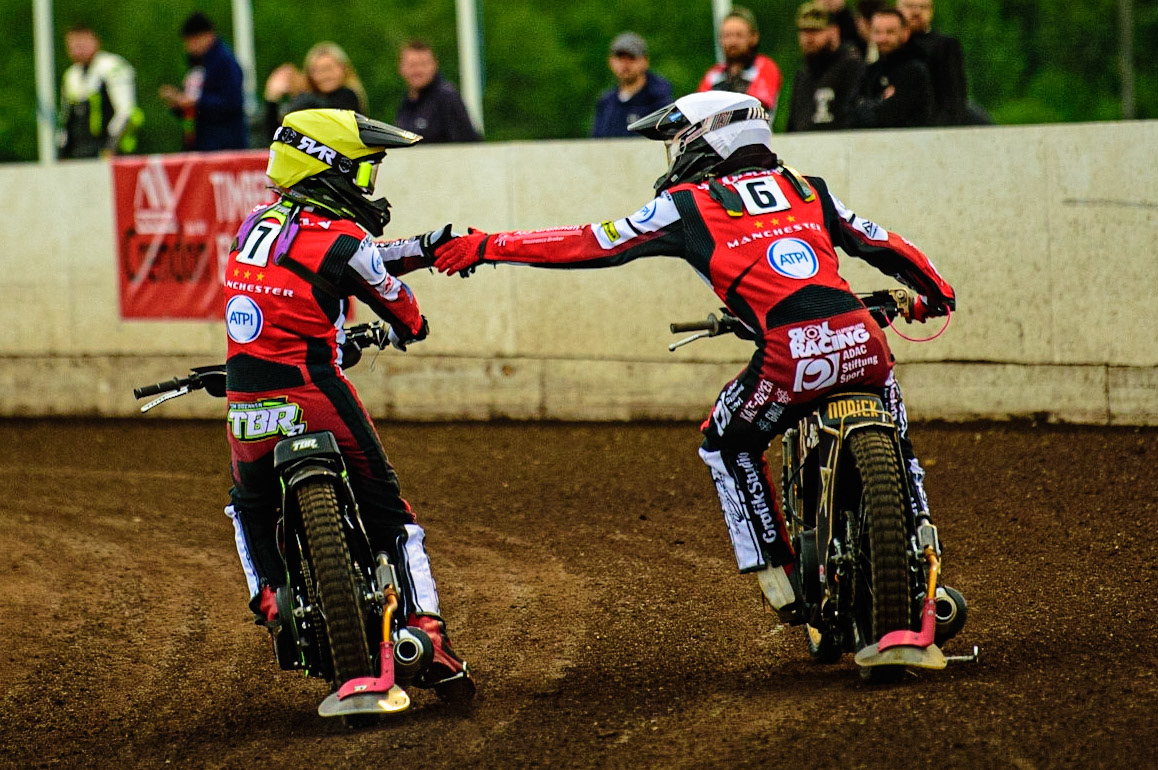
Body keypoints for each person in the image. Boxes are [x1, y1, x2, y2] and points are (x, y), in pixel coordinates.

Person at [431, 91, 954, 621]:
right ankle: (924, 560)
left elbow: (590, 242)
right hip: (864, 339)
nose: (675, 153)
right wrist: (935, 294)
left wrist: (489, 244)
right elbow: (881, 242)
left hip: (787, 357)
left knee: (726, 443)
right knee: (901, 445)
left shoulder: (686, 204)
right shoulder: (807, 188)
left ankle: (781, 576)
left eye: (678, 139)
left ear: (710, 135)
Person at [224, 108, 473, 699]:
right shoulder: (345, 238)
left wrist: (424, 246)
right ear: (327, 169)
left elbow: (332, 260)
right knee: (392, 515)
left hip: (245, 399)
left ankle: (268, 598)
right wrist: (414, 324)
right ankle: (428, 638)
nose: (368, 188)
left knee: (247, 506)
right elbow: (393, 298)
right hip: (313, 389)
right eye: (362, 173)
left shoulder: (255, 224)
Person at [159, 12, 248, 151]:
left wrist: (196, 102)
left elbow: (232, 102)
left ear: (206, 36)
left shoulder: (225, 62)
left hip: (223, 147)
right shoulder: (198, 65)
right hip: (198, 146)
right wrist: (178, 104)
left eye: (191, 41)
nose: (188, 47)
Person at [58, 25, 142, 158]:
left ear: (95, 42)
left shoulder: (113, 66)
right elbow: (66, 117)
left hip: (110, 149)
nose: (77, 51)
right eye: (72, 47)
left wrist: (111, 146)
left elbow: (126, 111)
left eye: (81, 45)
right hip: (79, 151)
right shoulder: (71, 75)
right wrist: (62, 150)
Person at [786, 2, 865, 132]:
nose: (809, 38)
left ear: (834, 31)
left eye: (816, 31)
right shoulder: (803, 74)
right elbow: (793, 125)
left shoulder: (851, 66)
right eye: (804, 31)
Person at [264, 42, 367, 140]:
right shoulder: (306, 99)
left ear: (343, 69)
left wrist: (300, 95)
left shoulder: (349, 96)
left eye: (328, 68)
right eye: (316, 70)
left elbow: (332, 117)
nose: (324, 76)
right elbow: (278, 135)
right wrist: (272, 99)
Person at [849, 9, 933, 128]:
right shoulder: (870, 70)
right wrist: (879, 102)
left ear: (905, 33)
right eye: (877, 32)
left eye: (890, 32)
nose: (883, 38)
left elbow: (891, 116)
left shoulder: (914, 70)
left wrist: (868, 106)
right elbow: (849, 112)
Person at [698, 7, 782, 119]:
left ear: (754, 37)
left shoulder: (765, 66)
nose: (733, 42)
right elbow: (699, 112)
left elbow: (755, 109)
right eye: (727, 35)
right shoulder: (713, 74)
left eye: (739, 35)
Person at [393, 40, 479, 143]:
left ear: (434, 65)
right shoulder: (406, 103)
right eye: (412, 65)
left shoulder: (446, 98)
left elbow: (467, 143)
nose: (418, 70)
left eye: (423, 64)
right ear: (401, 68)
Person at [896, 0, 967, 126]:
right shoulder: (887, 44)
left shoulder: (944, 46)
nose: (916, 12)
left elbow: (954, 95)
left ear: (931, 11)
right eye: (910, 6)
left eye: (923, 7)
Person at [592, 32, 673, 138]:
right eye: (620, 58)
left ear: (645, 61)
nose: (625, 64)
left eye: (631, 58)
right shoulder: (606, 103)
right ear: (610, 61)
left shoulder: (660, 102)